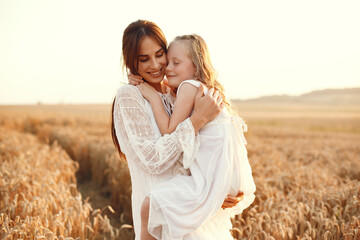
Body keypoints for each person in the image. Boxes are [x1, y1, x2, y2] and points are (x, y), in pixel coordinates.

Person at [111, 20, 243, 240]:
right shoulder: (129, 96)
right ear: (131, 62)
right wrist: (197, 120)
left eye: (159, 54)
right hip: (159, 218)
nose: (155, 65)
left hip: (194, 210)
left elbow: (203, 148)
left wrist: (215, 188)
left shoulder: (176, 93)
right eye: (144, 59)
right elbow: (154, 160)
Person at [136, 34, 256, 240]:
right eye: (169, 62)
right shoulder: (201, 88)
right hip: (226, 174)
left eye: (177, 63)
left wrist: (152, 95)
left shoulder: (188, 87)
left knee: (151, 205)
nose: (168, 68)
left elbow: (169, 129)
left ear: (196, 67)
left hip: (208, 178)